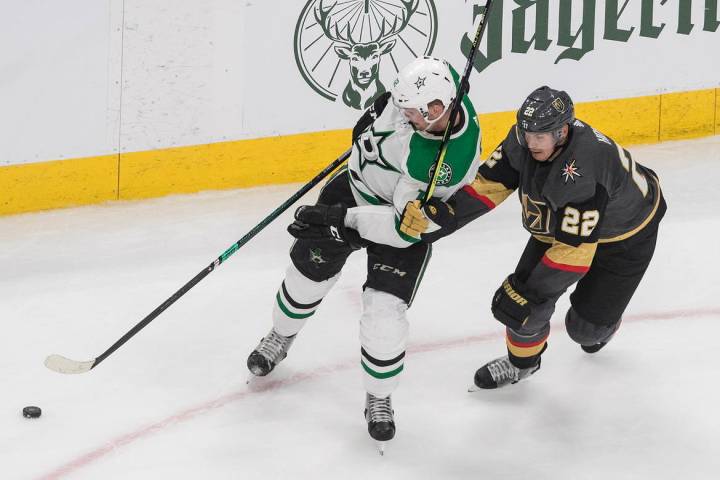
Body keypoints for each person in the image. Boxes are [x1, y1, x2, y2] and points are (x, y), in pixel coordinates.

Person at [246, 56, 482, 445]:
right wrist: (377, 113)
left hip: (394, 226)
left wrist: (344, 224)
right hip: (354, 185)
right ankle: (280, 335)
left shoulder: (441, 167)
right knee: (306, 276)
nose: (402, 116)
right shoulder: (442, 83)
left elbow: (401, 229)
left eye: (410, 114)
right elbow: (400, 99)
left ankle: (379, 395)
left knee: (384, 316)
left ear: (436, 111)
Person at [401, 85, 666, 389]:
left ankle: (604, 323)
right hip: (562, 224)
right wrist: (444, 217)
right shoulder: (522, 139)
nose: (531, 143)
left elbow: (572, 252)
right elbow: (490, 184)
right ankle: (521, 365)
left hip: (626, 236)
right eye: (527, 134)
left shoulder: (583, 169)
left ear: (562, 132)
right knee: (526, 309)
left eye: (540, 136)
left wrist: (532, 293)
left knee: (583, 332)